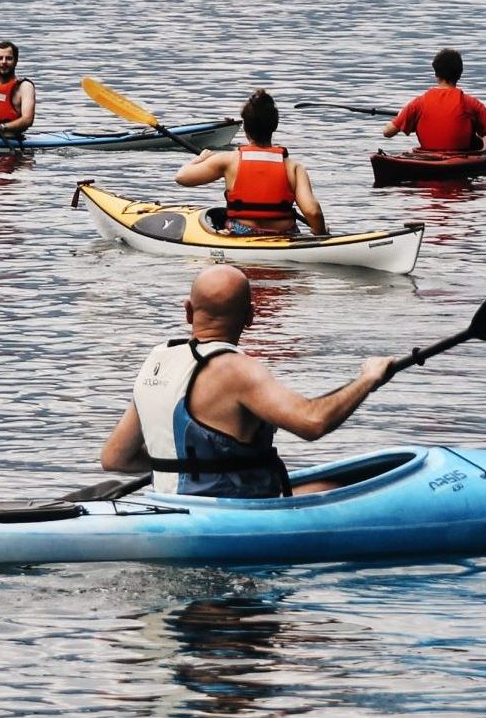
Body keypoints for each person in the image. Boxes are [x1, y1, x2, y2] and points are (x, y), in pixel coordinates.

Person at [100, 265, 396, 497]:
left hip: (171, 503)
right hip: (231, 512)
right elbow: (313, 422)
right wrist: (367, 380)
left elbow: (116, 458)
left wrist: (182, 466)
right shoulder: (237, 370)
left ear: (188, 310)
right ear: (251, 316)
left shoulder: (158, 360)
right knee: (332, 489)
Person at [175, 88, 325, 235]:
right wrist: (320, 233)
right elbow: (312, 212)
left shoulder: (228, 160)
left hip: (242, 231)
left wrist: (201, 158)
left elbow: (182, 177)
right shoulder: (294, 167)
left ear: (245, 128)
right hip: (284, 233)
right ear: (274, 126)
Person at [382, 47, 486, 152]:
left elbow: (387, 132)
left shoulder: (418, 103)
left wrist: (401, 115)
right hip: (458, 161)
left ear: (436, 73)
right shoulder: (471, 104)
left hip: (428, 158)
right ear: (460, 74)